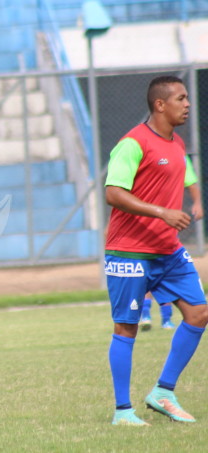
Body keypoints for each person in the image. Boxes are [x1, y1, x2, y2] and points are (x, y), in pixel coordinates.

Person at [104, 75, 208, 426]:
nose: (187, 104)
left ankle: (163, 392)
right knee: (127, 328)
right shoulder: (132, 143)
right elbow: (113, 192)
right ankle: (122, 411)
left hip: (168, 250)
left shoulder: (177, 144)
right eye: (180, 98)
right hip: (129, 251)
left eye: (187, 98)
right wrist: (162, 211)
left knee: (199, 313)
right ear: (159, 104)